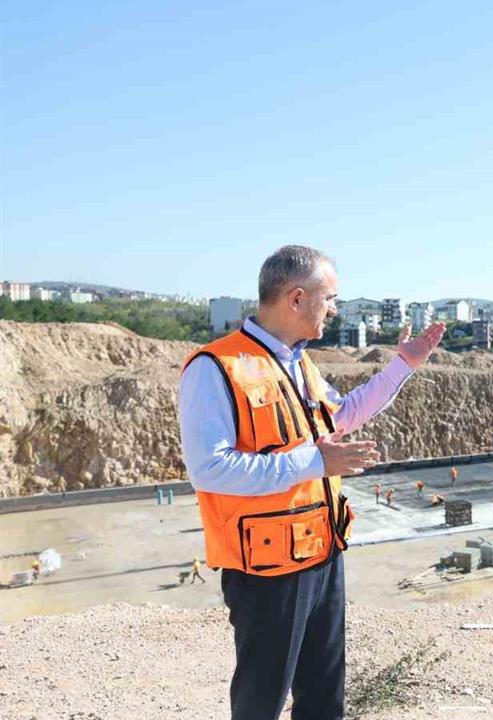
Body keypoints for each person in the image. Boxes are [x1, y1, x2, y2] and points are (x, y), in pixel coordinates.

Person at [177, 245, 446, 719]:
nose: (335, 309)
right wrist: (314, 463)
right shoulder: (214, 368)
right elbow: (210, 469)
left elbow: (342, 417)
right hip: (265, 570)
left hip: (321, 554)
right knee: (262, 701)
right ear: (296, 299)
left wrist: (403, 365)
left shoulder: (301, 364)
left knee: (324, 696)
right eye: (330, 298)